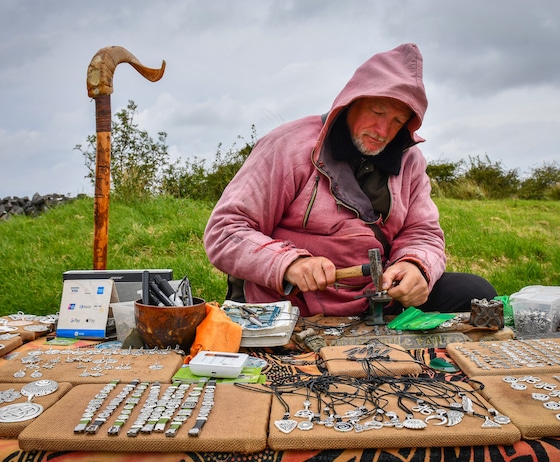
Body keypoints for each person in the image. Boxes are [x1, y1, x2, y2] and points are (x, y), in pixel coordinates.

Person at [204, 43, 496, 318]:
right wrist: (290, 263)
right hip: (292, 301)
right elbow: (225, 230)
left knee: (476, 293)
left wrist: (416, 266)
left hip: (378, 297)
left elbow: (423, 233)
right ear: (351, 102)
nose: (383, 130)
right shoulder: (288, 145)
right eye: (377, 111)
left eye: (397, 121)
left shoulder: (411, 162)